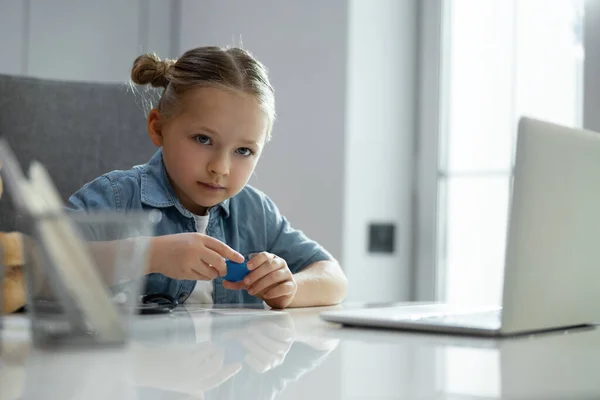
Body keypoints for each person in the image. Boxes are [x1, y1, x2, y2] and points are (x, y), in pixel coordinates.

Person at [67, 46, 347, 309]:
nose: (220, 167)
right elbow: (37, 269)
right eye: (203, 139)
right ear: (158, 127)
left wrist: (291, 288)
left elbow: (334, 279)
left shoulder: (256, 212)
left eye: (243, 150)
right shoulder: (116, 197)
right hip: (132, 360)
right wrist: (150, 255)